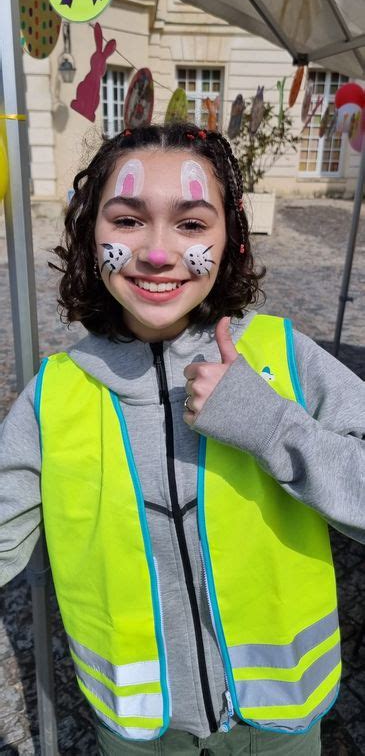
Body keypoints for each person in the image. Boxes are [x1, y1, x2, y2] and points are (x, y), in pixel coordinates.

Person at [0, 123, 364, 756]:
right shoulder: (52, 396)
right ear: (92, 236)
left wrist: (270, 423)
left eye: (192, 224)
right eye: (128, 220)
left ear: (232, 240)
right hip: (140, 733)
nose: (159, 253)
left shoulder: (288, 361)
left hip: (279, 725)